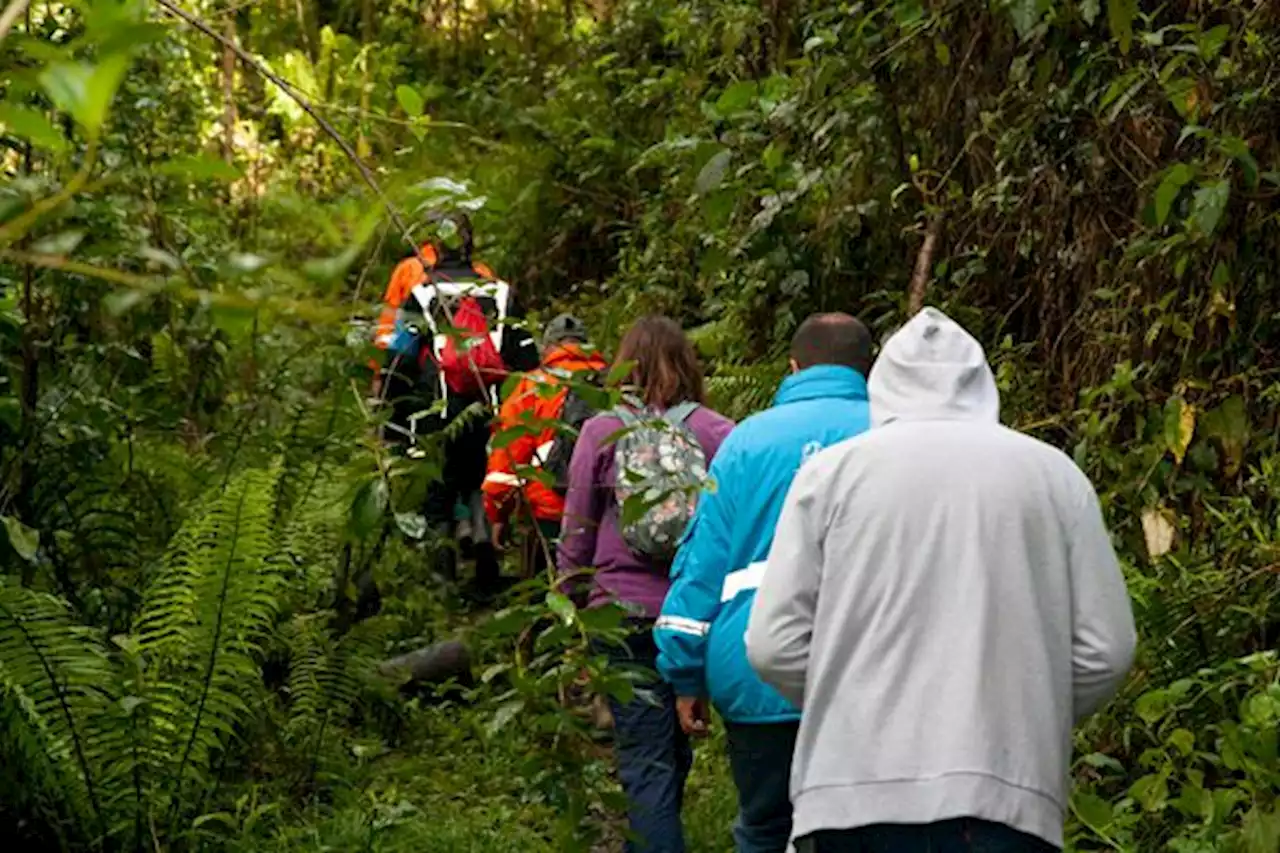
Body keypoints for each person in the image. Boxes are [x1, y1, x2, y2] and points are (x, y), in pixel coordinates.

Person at [746, 307, 1137, 853]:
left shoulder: (829, 475)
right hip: (1006, 798)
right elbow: (1106, 649)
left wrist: (846, 697)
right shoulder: (1054, 476)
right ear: (983, 383)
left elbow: (772, 643)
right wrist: (1027, 710)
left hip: (850, 793)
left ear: (883, 384)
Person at [654, 313, 874, 853]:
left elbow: (702, 565)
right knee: (867, 830)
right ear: (868, 369)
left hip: (756, 670)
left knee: (766, 826)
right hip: (872, 670)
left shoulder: (746, 441)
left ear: (793, 367)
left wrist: (685, 672)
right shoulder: (895, 435)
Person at [557, 315, 734, 853]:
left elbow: (578, 526)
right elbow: (731, 526)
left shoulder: (601, 430)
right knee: (670, 753)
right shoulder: (717, 431)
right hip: (693, 612)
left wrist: (569, 608)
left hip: (620, 613)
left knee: (646, 756)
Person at [374, 211, 539, 598]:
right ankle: (487, 567)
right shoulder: (500, 293)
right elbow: (529, 365)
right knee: (483, 483)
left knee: (439, 495)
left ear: (432, 247)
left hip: (439, 414)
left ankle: (442, 587)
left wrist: (390, 413)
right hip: (492, 412)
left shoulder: (423, 294)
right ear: (470, 243)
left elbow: (399, 361)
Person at [482, 313, 607, 574]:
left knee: (547, 590)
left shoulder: (530, 386)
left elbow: (507, 464)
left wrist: (498, 517)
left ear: (547, 348)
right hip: (602, 512)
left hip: (547, 511)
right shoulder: (611, 384)